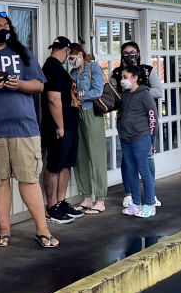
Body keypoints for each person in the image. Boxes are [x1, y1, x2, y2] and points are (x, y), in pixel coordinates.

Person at [0, 12, 59, 249]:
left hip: (24, 128)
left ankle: (42, 229)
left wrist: (18, 84)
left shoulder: (22, 52)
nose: (3, 29)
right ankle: (4, 230)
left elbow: (39, 85)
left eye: (6, 25)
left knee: (29, 180)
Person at [110, 42, 164, 207]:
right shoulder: (117, 73)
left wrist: (139, 91)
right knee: (128, 161)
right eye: (126, 53)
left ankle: (150, 196)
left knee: (147, 160)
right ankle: (130, 195)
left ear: (138, 53)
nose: (129, 56)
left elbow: (159, 91)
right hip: (126, 123)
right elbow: (112, 94)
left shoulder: (147, 70)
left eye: (132, 52)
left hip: (143, 124)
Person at [41, 36, 84, 224]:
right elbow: (53, 99)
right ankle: (51, 208)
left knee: (66, 165)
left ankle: (60, 202)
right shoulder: (51, 67)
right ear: (67, 51)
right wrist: (59, 126)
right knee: (54, 166)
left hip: (70, 124)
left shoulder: (59, 68)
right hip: (59, 126)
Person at [69, 42, 108, 213]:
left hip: (92, 113)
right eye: (69, 58)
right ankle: (86, 197)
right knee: (80, 157)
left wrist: (80, 97)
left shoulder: (93, 68)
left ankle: (100, 199)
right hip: (77, 115)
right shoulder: (71, 73)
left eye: (73, 57)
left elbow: (98, 91)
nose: (71, 61)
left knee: (97, 156)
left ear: (81, 55)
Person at [117, 65, 157, 217]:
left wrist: (151, 141)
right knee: (131, 171)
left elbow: (153, 118)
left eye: (125, 77)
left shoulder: (144, 94)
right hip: (125, 138)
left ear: (134, 78)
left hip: (141, 138)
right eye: (122, 77)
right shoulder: (125, 94)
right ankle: (136, 203)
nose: (123, 80)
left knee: (144, 171)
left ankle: (150, 204)